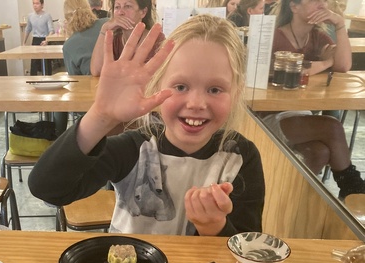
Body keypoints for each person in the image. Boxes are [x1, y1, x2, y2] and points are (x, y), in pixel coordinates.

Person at [29, 15, 265, 236]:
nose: (196, 103)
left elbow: (247, 246)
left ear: (236, 93)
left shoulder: (240, 158)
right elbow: (47, 188)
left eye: (215, 89)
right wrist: (100, 116)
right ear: (157, 85)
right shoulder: (134, 149)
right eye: (181, 87)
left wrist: (214, 227)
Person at [259, 0, 364, 200]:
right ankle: (353, 189)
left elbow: (343, 65)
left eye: (324, 0)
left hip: (300, 114)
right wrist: (326, 62)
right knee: (332, 126)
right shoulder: (274, 37)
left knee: (319, 152)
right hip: (266, 117)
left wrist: (340, 25)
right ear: (294, 7)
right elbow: (295, 70)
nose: (323, 4)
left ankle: (287, 199)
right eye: (315, 1)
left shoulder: (316, 36)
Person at [53, 0, 108, 134]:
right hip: (120, 94)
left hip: (91, 106)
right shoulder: (106, 24)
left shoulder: (69, 46)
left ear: (66, 19)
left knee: (59, 94)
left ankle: (57, 137)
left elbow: (75, 82)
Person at [90, 0, 164, 76]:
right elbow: (97, 71)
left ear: (143, 12)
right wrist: (104, 29)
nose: (120, 12)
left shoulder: (157, 40)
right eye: (117, 7)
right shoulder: (114, 39)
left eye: (128, 6)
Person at [23, 0, 55, 75]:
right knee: (34, 62)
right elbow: (28, 29)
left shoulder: (47, 16)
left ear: (42, 4)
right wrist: (24, 42)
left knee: (46, 63)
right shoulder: (30, 16)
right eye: (33, 3)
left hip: (45, 39)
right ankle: (33, 79)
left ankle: (48, 78)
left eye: (37, 3)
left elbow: (51, 30)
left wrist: (47, 40)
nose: (35, 5)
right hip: (35, 39)